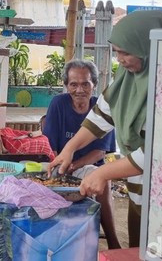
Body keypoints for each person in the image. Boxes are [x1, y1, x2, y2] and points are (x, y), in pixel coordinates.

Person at [49, 10, 162, 248]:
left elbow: (155, 152)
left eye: (125, 52)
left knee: (160, 247)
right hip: (139, 187)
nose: (120, 59)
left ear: (149, 48)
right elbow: (99, 119)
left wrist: (102, 174)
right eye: (116, 52)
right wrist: (69, 149)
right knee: (139, 246)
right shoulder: (127, 79)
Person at [42, 59, 120, 249]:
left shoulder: (102, 108)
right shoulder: (58, 104)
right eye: (73, 84)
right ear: (66, 85)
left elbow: (100, 151)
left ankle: (113, 240)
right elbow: (49, 146)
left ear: (94, 84)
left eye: (85, 83)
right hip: (58, 165)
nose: (79, 90)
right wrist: (60, 167)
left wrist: (73, 166)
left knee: (103, 178)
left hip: (84, 167)